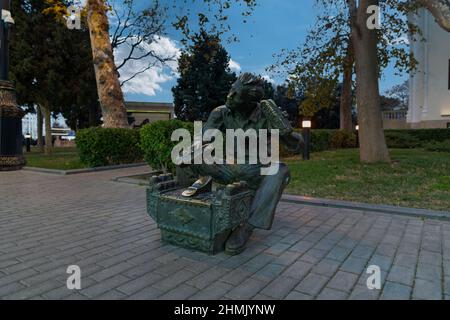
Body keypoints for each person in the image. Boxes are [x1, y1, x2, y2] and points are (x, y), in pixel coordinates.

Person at [180, 73, 303, 254]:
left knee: (281, 171)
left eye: (236, 94)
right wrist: (192, 152)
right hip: (227, 168)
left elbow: (296, 146)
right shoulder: (221, 112)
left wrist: (285, 131)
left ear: (250, 100)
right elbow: (203, 140)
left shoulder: (266, 114)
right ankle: (184, 205)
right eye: (231, 90)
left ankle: (246, 227)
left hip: (255, 171)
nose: (229, 96)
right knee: (186, 157)